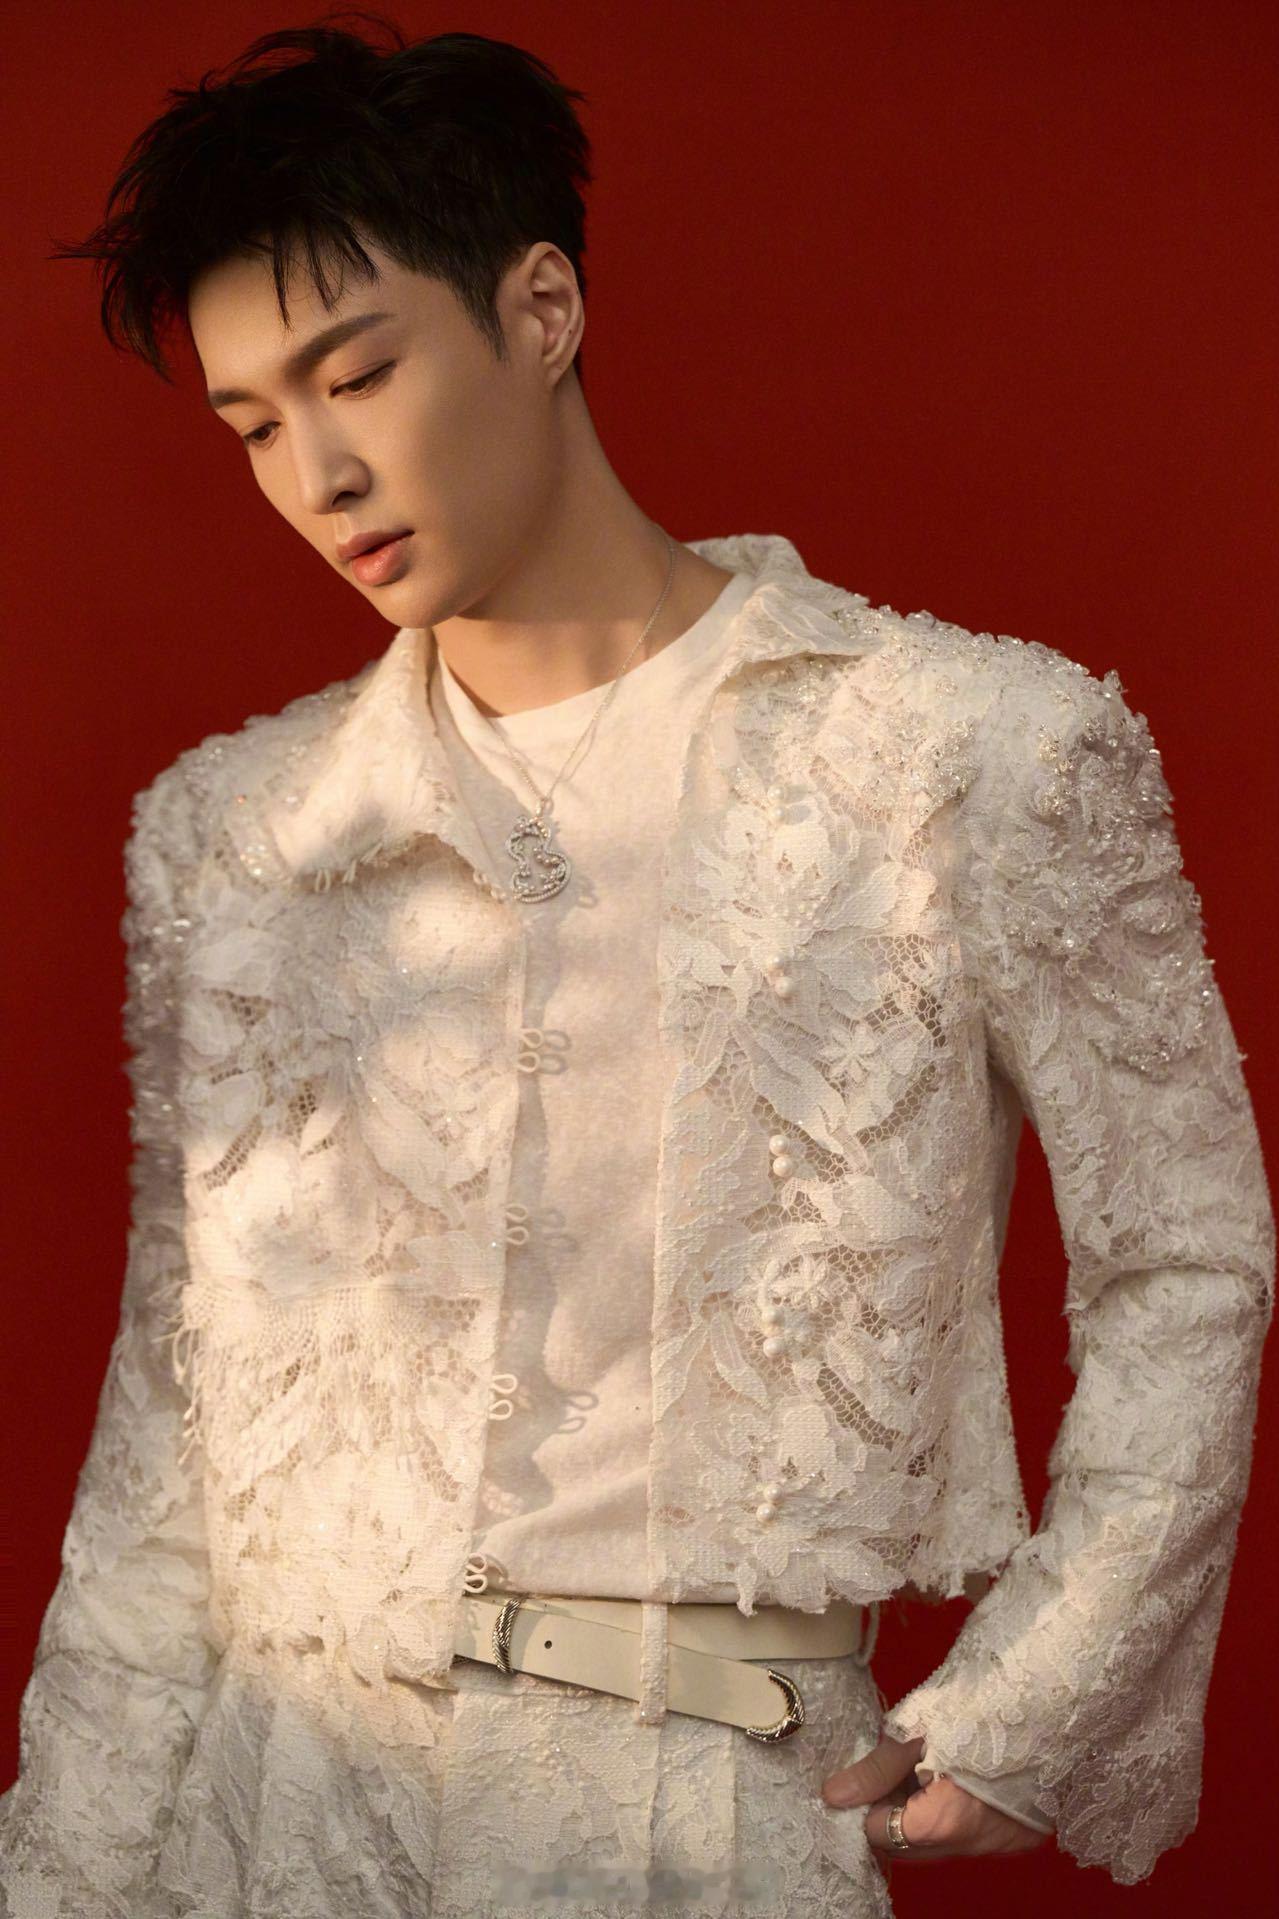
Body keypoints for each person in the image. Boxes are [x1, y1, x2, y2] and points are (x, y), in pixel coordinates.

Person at [2, 15, 1272, 1917]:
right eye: (255, 425)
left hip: (704, 1819)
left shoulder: (966, 754)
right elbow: (175, 1409)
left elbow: (1187, 1255)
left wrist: (1039, 1698)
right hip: (267, 1828)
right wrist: (66, 1873)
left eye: (361, 373)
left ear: (541, 310)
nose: (320, 473)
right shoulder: (234, 834)